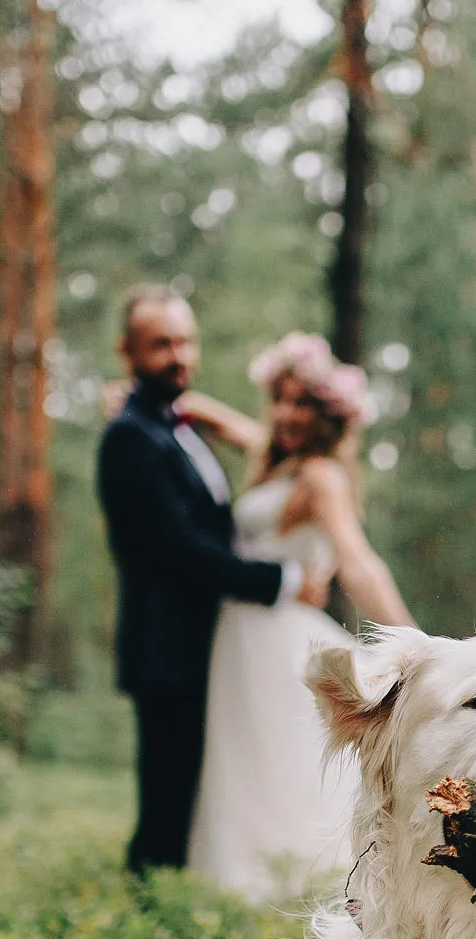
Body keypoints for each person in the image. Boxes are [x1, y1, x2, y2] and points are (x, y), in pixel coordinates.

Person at [179, 331, 415, 898]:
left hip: (277, 636)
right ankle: (243, 874)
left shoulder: (320, 477)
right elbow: (240, 430)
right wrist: (183, 406)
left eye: (304, 402)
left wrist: (416, 641)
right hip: (240, 634)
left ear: (330, 416)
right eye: (280, 398)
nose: (287, 412)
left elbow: (358, 563)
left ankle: (304, 874)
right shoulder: (277, 460)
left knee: (288, 758)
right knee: (246, 756)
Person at [96, 288, 310, 878]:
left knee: (193, 791)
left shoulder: (177, 427)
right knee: (166, 796)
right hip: (168, 646)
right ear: (128, 352)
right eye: (160, 344)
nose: (178, 355)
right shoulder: (131, 437)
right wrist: (284, 580)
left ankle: (172, 891)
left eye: (185, 341)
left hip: (206, 642)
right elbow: (179, 551)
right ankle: (149, 907)